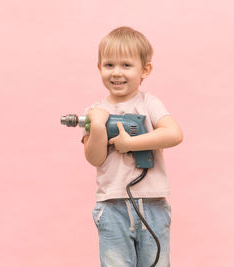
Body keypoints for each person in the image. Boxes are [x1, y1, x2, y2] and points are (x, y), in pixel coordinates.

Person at [82, 26, 183, 267]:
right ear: (99, 68)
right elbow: (95, 158)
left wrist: (131, 143)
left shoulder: (149, 103)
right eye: (109, 65)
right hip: (111, 205)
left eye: (126, 65)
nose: (117, 73)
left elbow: (174, 134)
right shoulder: (94, 112)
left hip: (152, 203)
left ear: (145, 69)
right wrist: (97, 127)